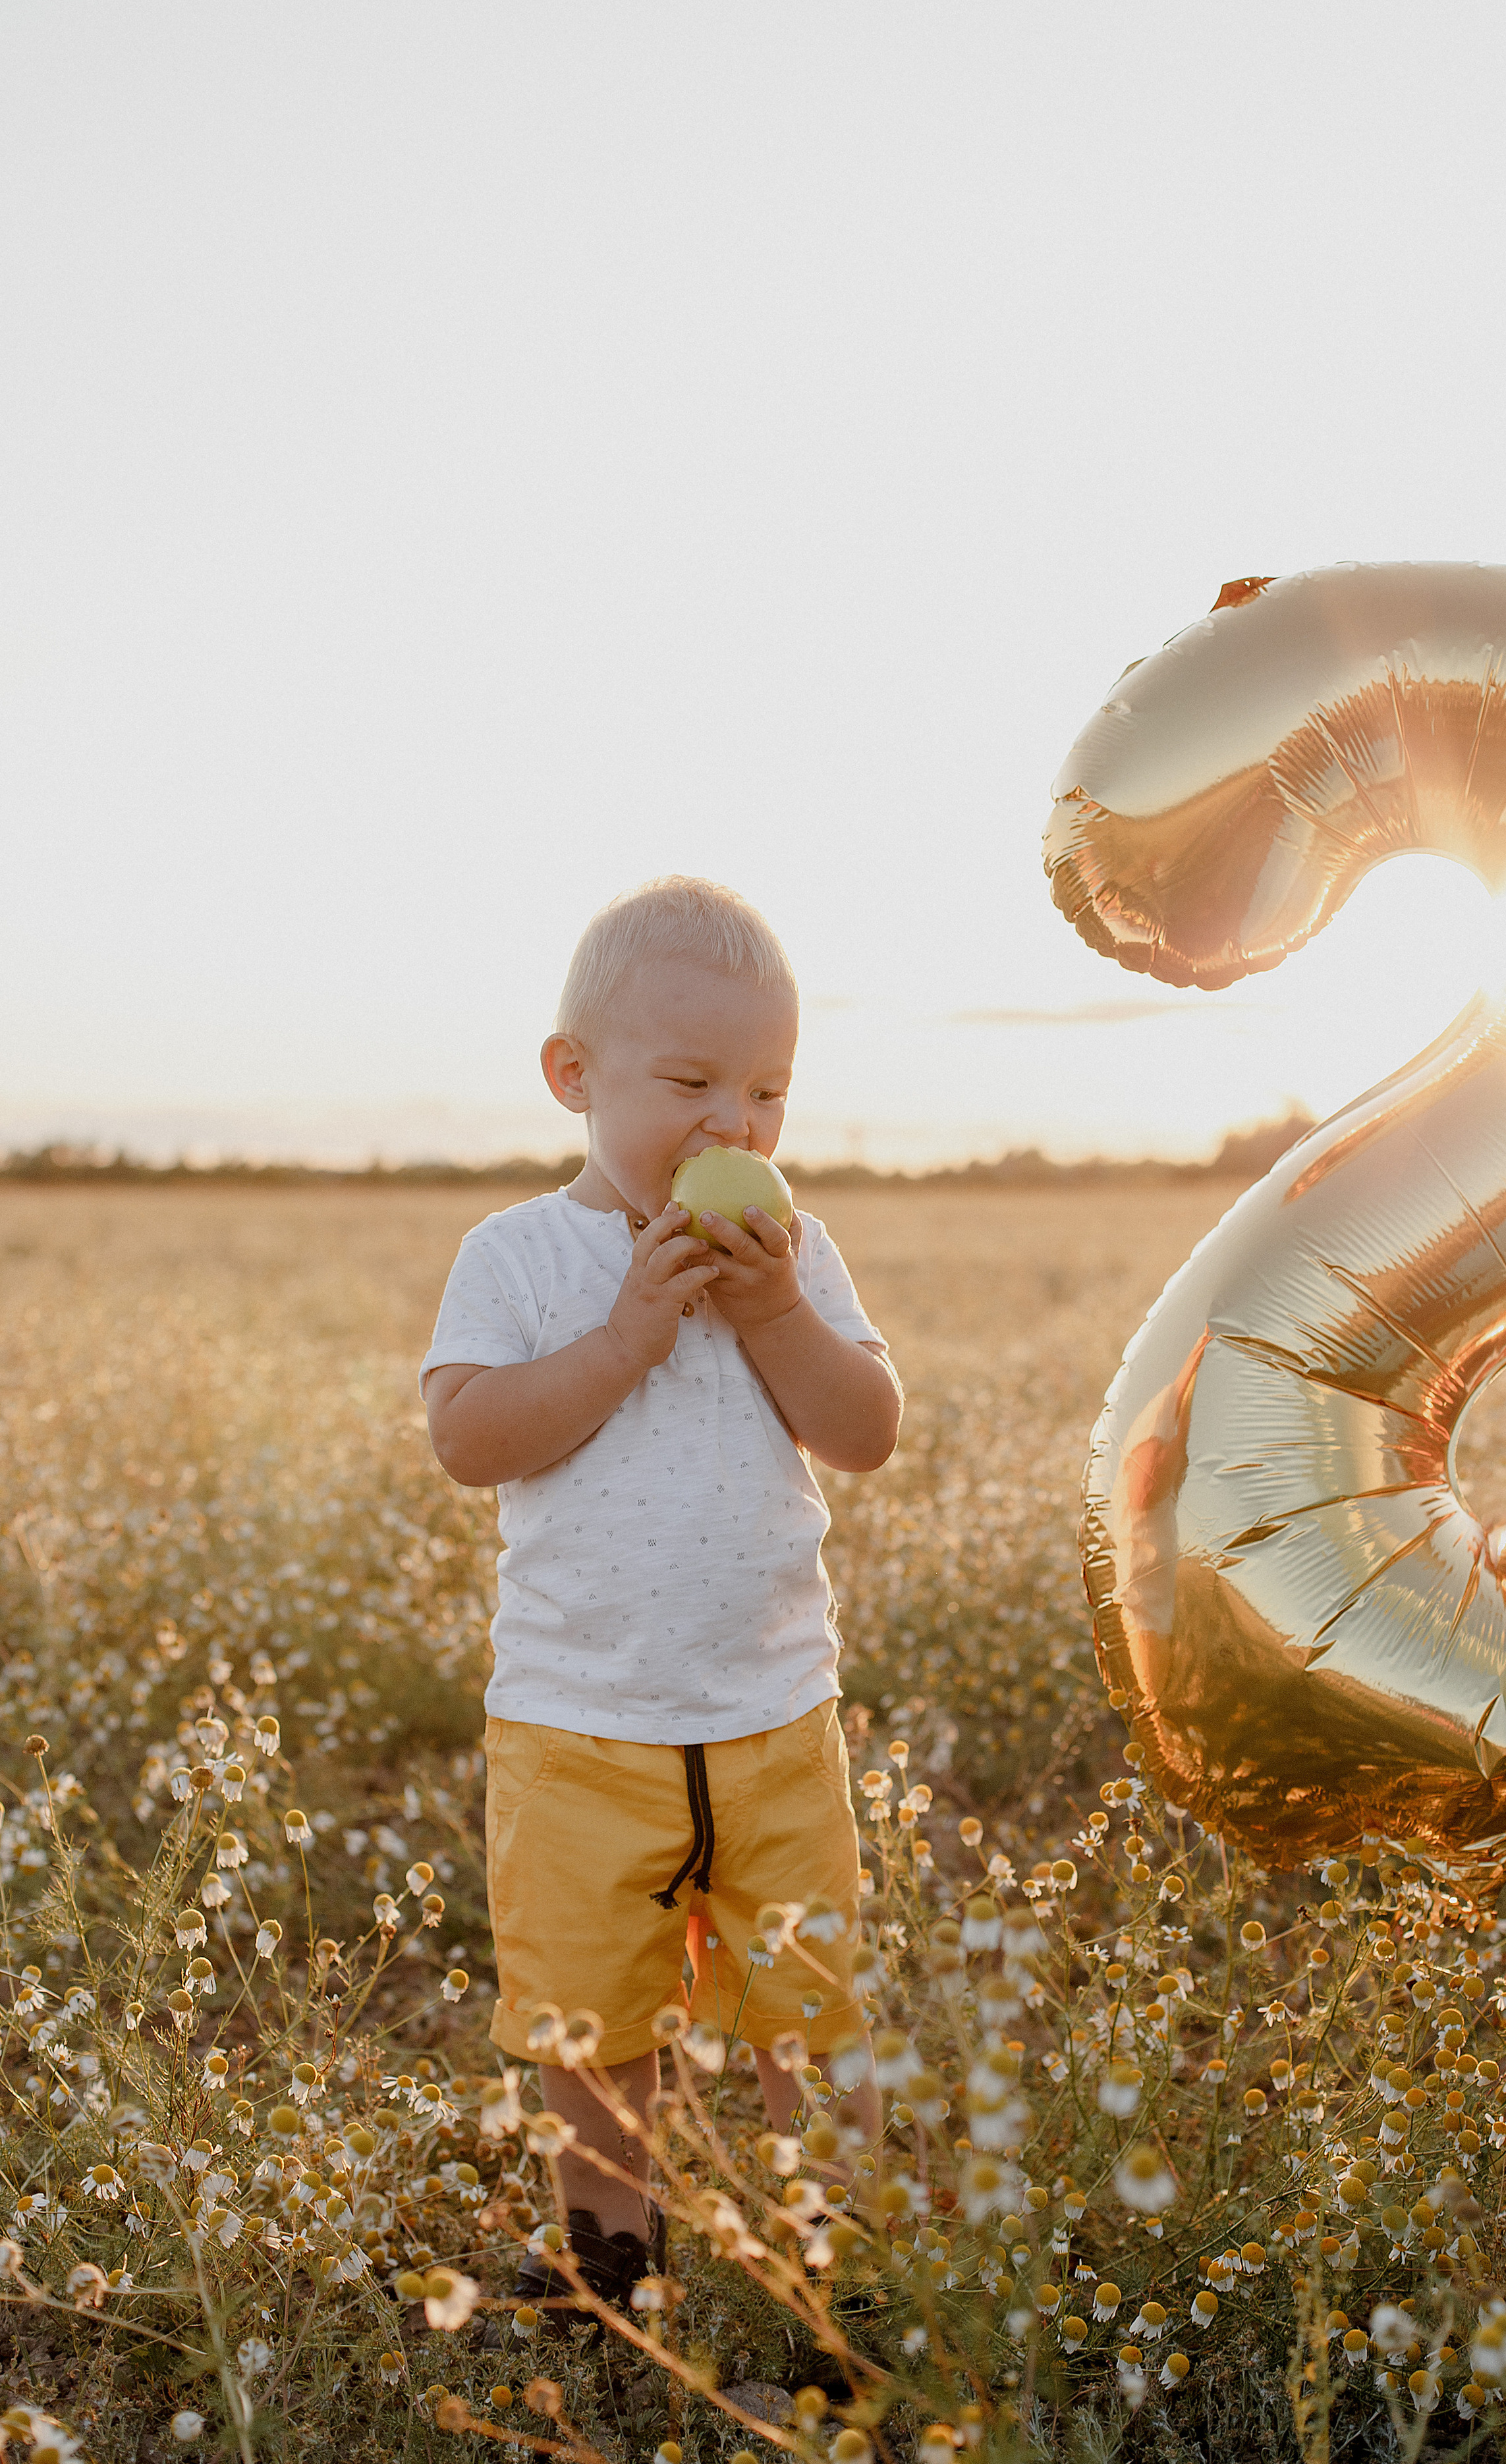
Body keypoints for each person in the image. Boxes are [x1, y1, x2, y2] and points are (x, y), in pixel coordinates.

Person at [420, 875, 902, 2323]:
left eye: (767, 1093)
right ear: (575, 1077)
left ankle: (837, 2243)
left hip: (769, 1707)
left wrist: (771, 1315)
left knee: (804, 2004)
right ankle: (605, 2245)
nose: (734, 1128)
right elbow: (468, 1439)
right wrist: (628, 1335)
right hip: (578, 1719)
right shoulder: (518, 1256)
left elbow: (864, 1428)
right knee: (592, 2014)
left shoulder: (793, 1254)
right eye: (690, 1081)